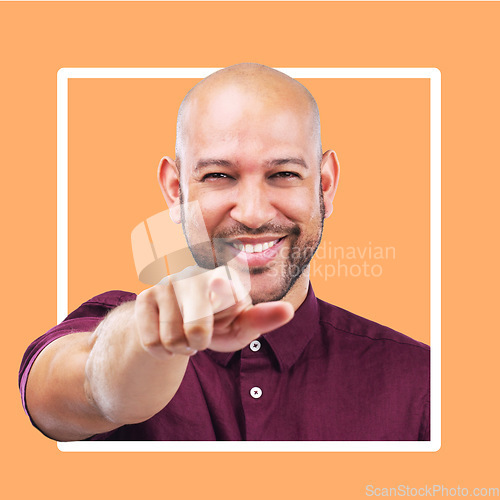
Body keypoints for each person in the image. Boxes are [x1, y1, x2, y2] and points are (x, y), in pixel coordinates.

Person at [19, 64, 430, 441]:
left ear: (324, 185)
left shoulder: (421, 380)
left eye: (283, 174)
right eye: (219, 175)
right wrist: (148, 345)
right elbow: (82, 386)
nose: (252, 214)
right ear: (176, 191)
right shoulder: (106, 323)